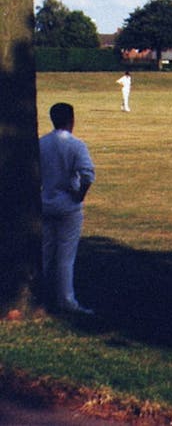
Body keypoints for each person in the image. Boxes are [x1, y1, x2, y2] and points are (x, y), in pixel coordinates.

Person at [38, 103, 96, 315]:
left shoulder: (41, 143)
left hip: (45, 202)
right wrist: (79, 195)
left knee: (44, 252)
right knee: (65, 256)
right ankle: (66, 300)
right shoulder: (76, 145)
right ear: (71, 119)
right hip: (68, 205)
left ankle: (39, 296)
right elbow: (88, 174)